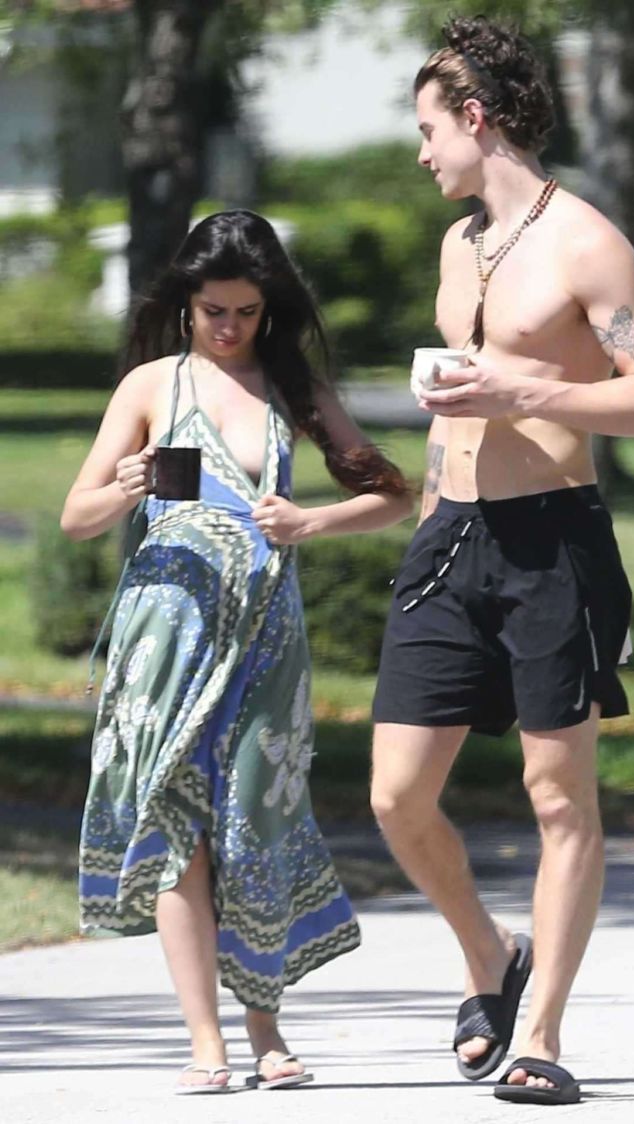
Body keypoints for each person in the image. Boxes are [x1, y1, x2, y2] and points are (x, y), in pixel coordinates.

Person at [370, 16, 634, 1108]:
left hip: (554, 541)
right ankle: (489, 954)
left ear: (475, 118)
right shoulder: (459, 246)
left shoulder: (586, 243)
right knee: (396, 796)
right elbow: (457, 400)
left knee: (558, 796)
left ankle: (542, 1033)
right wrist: (428, 513)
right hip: (450, 537)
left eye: (429, 129)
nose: (421, 151)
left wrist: (529, 391)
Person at [61, 210, 412, 1094]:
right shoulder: (151, 385)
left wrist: (310, 521)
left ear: (270, 308)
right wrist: (125, 487)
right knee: (177, 828)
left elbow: (392, 495)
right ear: (186, 302)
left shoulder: (292, 387)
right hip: (164, 637)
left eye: (247, 312)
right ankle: (205, 1041)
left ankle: (266, 1027)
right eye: (213, 310)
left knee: (254, 822)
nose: (228, 327)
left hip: (265, 641)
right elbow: (76, 516)